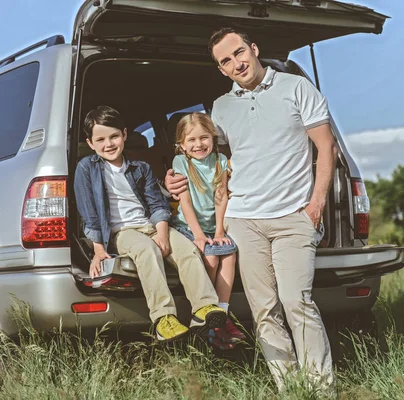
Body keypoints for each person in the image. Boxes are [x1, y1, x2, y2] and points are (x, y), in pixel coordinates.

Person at [166, 28, 337, 393]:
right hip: (244, 219)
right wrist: (174, 177)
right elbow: (209, 159)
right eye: (225, 61)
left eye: (239, 52)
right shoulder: (222, 108)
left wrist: (316, 205)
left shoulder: (296, 87)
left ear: (254, 49)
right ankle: (290, 388)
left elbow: (326, 146)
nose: (235, 63)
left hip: (294, 216)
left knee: (297, 301)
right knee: (264, 308)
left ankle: (320, 389)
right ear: (221, 70)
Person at [74, 105, 226, 342]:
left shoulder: (140, 168)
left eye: (114, 136)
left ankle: (204, 309)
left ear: (125, 134)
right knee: (147, 249)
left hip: (151, 225)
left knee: (187, 250)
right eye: (101, 139)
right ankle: (163, 318)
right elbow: (89, 211)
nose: (109, 144)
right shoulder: (87, 168)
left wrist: (163, 233)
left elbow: (158, 206)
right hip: (120, 231)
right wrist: (99, 250)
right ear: (91, 143)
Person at [170, 112, 246, 348]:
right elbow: (185, 203)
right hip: (188, 225)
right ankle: (205, 312)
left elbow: (221, 198)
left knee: (229, 253)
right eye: (191, 140)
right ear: (181, 145)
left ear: (213, 138)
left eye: (203, 138)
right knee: (211, 256)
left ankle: (222, 315)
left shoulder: (221, 161)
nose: (198, 144)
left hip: (214, 226)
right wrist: (200, 235)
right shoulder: (181, 163)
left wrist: (220, 231)